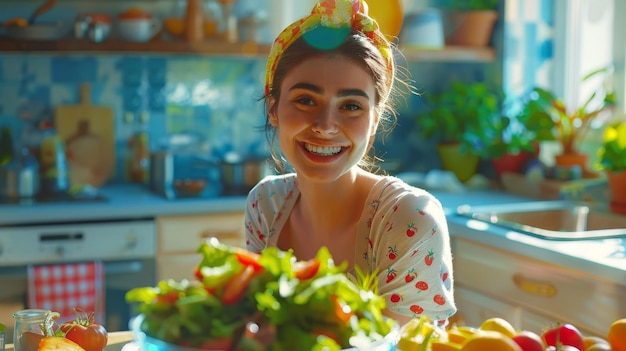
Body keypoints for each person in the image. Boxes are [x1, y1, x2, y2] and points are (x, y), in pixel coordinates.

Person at [244, 0, 456, 326]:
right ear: (273, 108)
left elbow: (408, 347)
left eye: (351, 106)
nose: (325, 125)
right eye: (305, 100)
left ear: (375, 120)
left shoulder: (408, 219)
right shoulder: (266, 205)